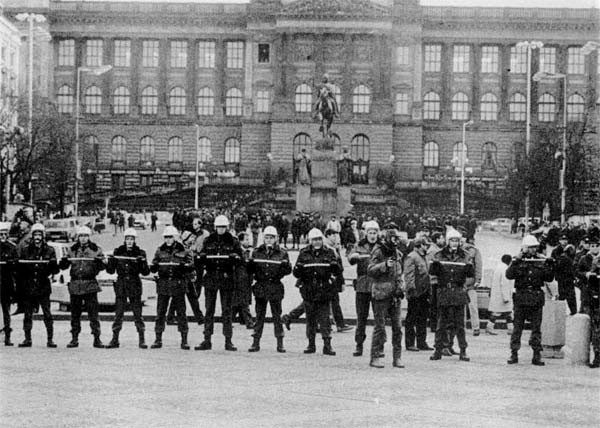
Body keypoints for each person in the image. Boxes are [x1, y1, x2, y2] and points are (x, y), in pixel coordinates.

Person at [195, 215, 243, 351]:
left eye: (223, 227)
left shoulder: (233, 241)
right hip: (211, 277)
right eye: (218, 227)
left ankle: (228, 340)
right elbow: (201, 258)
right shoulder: (208, 240)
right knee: (209, 310)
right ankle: (207, 339)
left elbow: (241, 260)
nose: (221, 229)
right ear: (215, 227)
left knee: (227, 311)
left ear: (226, 227)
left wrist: (235, 258)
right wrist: (201, 258)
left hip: (226, 277)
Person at [506, 234, 554, 366]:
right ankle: (514, 353)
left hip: (535, 297)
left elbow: (549, 278)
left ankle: (536, 354)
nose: (534, 250)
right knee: (517, 328)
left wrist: (550, 266)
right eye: (531, 247)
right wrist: (516, 261)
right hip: (521, 297)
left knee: (536, 328)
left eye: (535, 247)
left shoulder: (540, 260)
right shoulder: (518, 260)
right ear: (524, 248)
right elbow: (509, 275)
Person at [293, 228, 342, 356]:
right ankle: (311, 344)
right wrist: (298, 268)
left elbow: (338, 271)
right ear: (310, 241)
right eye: (314, 240)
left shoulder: (329, 252)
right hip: (309, 289)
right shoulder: (304, 253)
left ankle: (327, 344)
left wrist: (335, 266)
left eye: (319, 239)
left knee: (325, 319)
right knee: (310, 319)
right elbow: (296, 273)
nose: (317, 242)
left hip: (324, 288)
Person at [429, 228, 474, 362]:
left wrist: (469, 268)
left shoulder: (465, 256)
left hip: (458, 291)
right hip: (444, 291)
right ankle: (438, 350)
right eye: (452, 240)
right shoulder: (439, 255)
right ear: (448, 241)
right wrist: (435, 265)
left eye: (457, 240)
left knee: (460, 325)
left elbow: (470, 274)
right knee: (441, 324)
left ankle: (463, 350)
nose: (454, 243)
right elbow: (432, 272)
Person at [59, 226, 106, 348]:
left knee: (93, 314)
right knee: (75, 315)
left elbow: (103, 267)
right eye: (81, 236)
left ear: (89, 237)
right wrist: (63, 262)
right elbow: (64, 266)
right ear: (78, 237)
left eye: (85, 236)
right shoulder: (72, 250)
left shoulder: (96, 250)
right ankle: (74, 338)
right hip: (76, 285)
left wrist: (100, 263)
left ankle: (97, 338)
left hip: (90, 284)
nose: (83, 238)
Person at [247, 226, 292, 353]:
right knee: (259, 316)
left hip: (275, 286)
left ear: (276, 238)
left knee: (277, 316)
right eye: (267, 237)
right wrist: (249, 264)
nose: (269, 240)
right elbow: (251, 270)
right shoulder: (257, 252)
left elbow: (288, 271)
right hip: (261, 285)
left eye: (271, 237)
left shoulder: (282, 253)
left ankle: (280, 342)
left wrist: (285, 267)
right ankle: (255, 341)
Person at [367, 226, 405, 368]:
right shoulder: (378, 251)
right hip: (381, 293)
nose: (396, 241)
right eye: (393, 238)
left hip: (395, 294)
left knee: (398, 328)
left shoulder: (398, 253)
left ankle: (397, 357)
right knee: (380, 327)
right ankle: (375, 356)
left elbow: (399, 273)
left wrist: (400, 287)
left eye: (397, 239)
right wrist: (384, 265)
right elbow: (370, 270)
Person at [106, 228, 151, 349]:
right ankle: (115, 339)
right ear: (124, 240)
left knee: (137, 313)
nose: (129, 241)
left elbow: (146, 272)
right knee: (118, 313)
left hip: (134, 284)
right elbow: (110, 271)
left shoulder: (140, 253)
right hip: (121, 284)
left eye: (131, 239)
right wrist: (111, 261)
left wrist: (142, 262)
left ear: (135, 240)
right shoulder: (118, 251)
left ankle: (142, 339)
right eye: (127, 239)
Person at [16, 223, 59, 347]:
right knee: (27, 314)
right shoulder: (26, 250)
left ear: (43, 236)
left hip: (43, 286)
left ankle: (50, 339)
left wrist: (52, 264)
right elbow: (21, 269)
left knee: (47, 313)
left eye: (40, 234)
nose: (37, 237)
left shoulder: (50, 250)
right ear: (32, 236)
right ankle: (27, 339)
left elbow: (55, 271)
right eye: (35, 234)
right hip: (29, 286)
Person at [149, 226, 193, 350]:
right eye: (166, 237)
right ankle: (158, 338)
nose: (168, 239)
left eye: (170, 237)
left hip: (178, 284)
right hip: (163, 284)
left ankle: (184, 339)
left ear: (175, 238)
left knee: (181, 313)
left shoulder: (184, 250)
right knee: (160, 313)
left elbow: (191, 265)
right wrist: (154, 266)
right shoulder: (160, 250)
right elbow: (154, 265)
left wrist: (185, 266)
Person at [347, 221, 379, 357]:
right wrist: (354, 257)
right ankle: (359, 344)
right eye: (370, 232)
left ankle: (378, 347)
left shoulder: (382, 246)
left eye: (375, 232)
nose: (372, 235)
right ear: (366, 234)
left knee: (379, 318)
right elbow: (350, 259)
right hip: (362, 285)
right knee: (361, 317)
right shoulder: (359, 245)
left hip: (377, 285)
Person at [404, 237, 433, 351]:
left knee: (422, 318)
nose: (427, 247)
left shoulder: (423, 257)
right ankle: (410, 343)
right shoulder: (412, 257)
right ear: (420, 245)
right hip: (415, 292)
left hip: (424, 292)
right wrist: (411, 290)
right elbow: (409, 275)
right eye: (425, 245)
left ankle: (421, 342)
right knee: (411, 318)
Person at [581, 240, 599, 368]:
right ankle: (594, 356)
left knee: (597, 329)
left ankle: (597, 356)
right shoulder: (584, 259)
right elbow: (576, 272)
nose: (594, 248)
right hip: (588, 297)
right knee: (591, 328)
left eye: (597, 246)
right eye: (592, 246)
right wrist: (586, 275)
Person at [485, 254, 514, 335]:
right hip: (502, 296)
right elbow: (504, 284)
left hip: (497, 295)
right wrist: (506, 297)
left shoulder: (498, 268)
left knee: (506, 312)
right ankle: (490, 327)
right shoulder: (505, 269)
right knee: (502, 312)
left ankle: (510, 329)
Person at [461, 235, 483, 335]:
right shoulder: (475, 251)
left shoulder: (461, 251)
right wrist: (478, 279)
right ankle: (475, 327)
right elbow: (479, 266)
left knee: (463, 307)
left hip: (464, 282)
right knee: (472, 306)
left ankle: (464, 327)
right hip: (471, 282)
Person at [0, 222, 17, 346]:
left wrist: (12, 263)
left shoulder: (12, 247)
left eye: (5, 234)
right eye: (0, 234)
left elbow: (16, 265)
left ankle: (7, 336)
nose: (3, 237)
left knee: (6, 310)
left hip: (6, 283)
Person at [555, 244, 577, 315]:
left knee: (561, 297)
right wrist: (574, 277)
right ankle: (573, 311)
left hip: (561, 280)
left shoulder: (561, 258)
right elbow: (571, 270)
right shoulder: (568, 259)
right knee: (571, 297)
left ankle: (559, 313)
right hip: (568, 280)